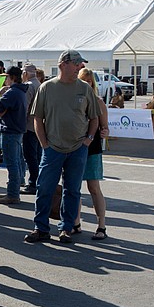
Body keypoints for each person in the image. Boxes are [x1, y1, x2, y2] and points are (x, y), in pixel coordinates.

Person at [25, 49, 100, 245]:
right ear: (63, 64)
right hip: (53, 148)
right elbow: (37, 118)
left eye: (80, 65)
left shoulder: (84, 89)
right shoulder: (47, 88)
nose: (79, 68)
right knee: (44, 188)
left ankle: (66, 228)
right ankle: (40, 228)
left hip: (78, 148)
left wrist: (88, 140)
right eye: (76, 64)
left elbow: (94, 118)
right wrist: (44, 144)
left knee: (72, 190)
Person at [74, 68, 110, 240]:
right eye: (84, 81)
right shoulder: (73, 100)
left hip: (92, 149)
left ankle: (101, 225)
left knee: (93, 188)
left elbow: (105, 127)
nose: (87, 84)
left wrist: (104, 132)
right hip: (73, 147)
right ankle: (75, 223)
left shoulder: (98, 102)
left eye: (90, 81)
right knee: (74, 188)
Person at [0, 66, 27, 204]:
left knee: (12, 163)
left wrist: (1, 95)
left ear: (12, 77)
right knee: (17, 161)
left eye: (6, 77)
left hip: (10, 130)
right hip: (18, 130)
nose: (5, 79)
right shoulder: (21, 91)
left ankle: (12, 193)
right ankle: (14, 190)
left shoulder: (12, 93)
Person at [20, 64, 42, 194]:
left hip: (29, 125)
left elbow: (25, 107)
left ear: (25, 73)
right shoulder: (40, 85)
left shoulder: (29, 86)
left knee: (30, 156)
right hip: (38, 125)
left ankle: (33, 183)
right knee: (37, 156)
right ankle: (38, 181)